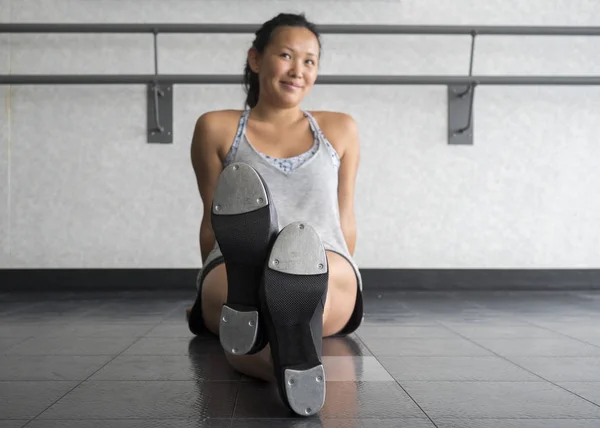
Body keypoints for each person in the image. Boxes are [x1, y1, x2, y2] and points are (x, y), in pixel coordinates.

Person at [186, 12, 364, 416]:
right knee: (241, 289)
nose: (297, 70)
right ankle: (289, 352)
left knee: (306, 281)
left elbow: (344, 219)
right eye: (285, 55)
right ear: (255, 59)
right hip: (236, 260)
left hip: (322, 256)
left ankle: (263, 335)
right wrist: (207, 281)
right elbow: (212, 219)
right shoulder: (216, 127)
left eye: (309, 61)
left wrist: (344, 265)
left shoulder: (341, 129)